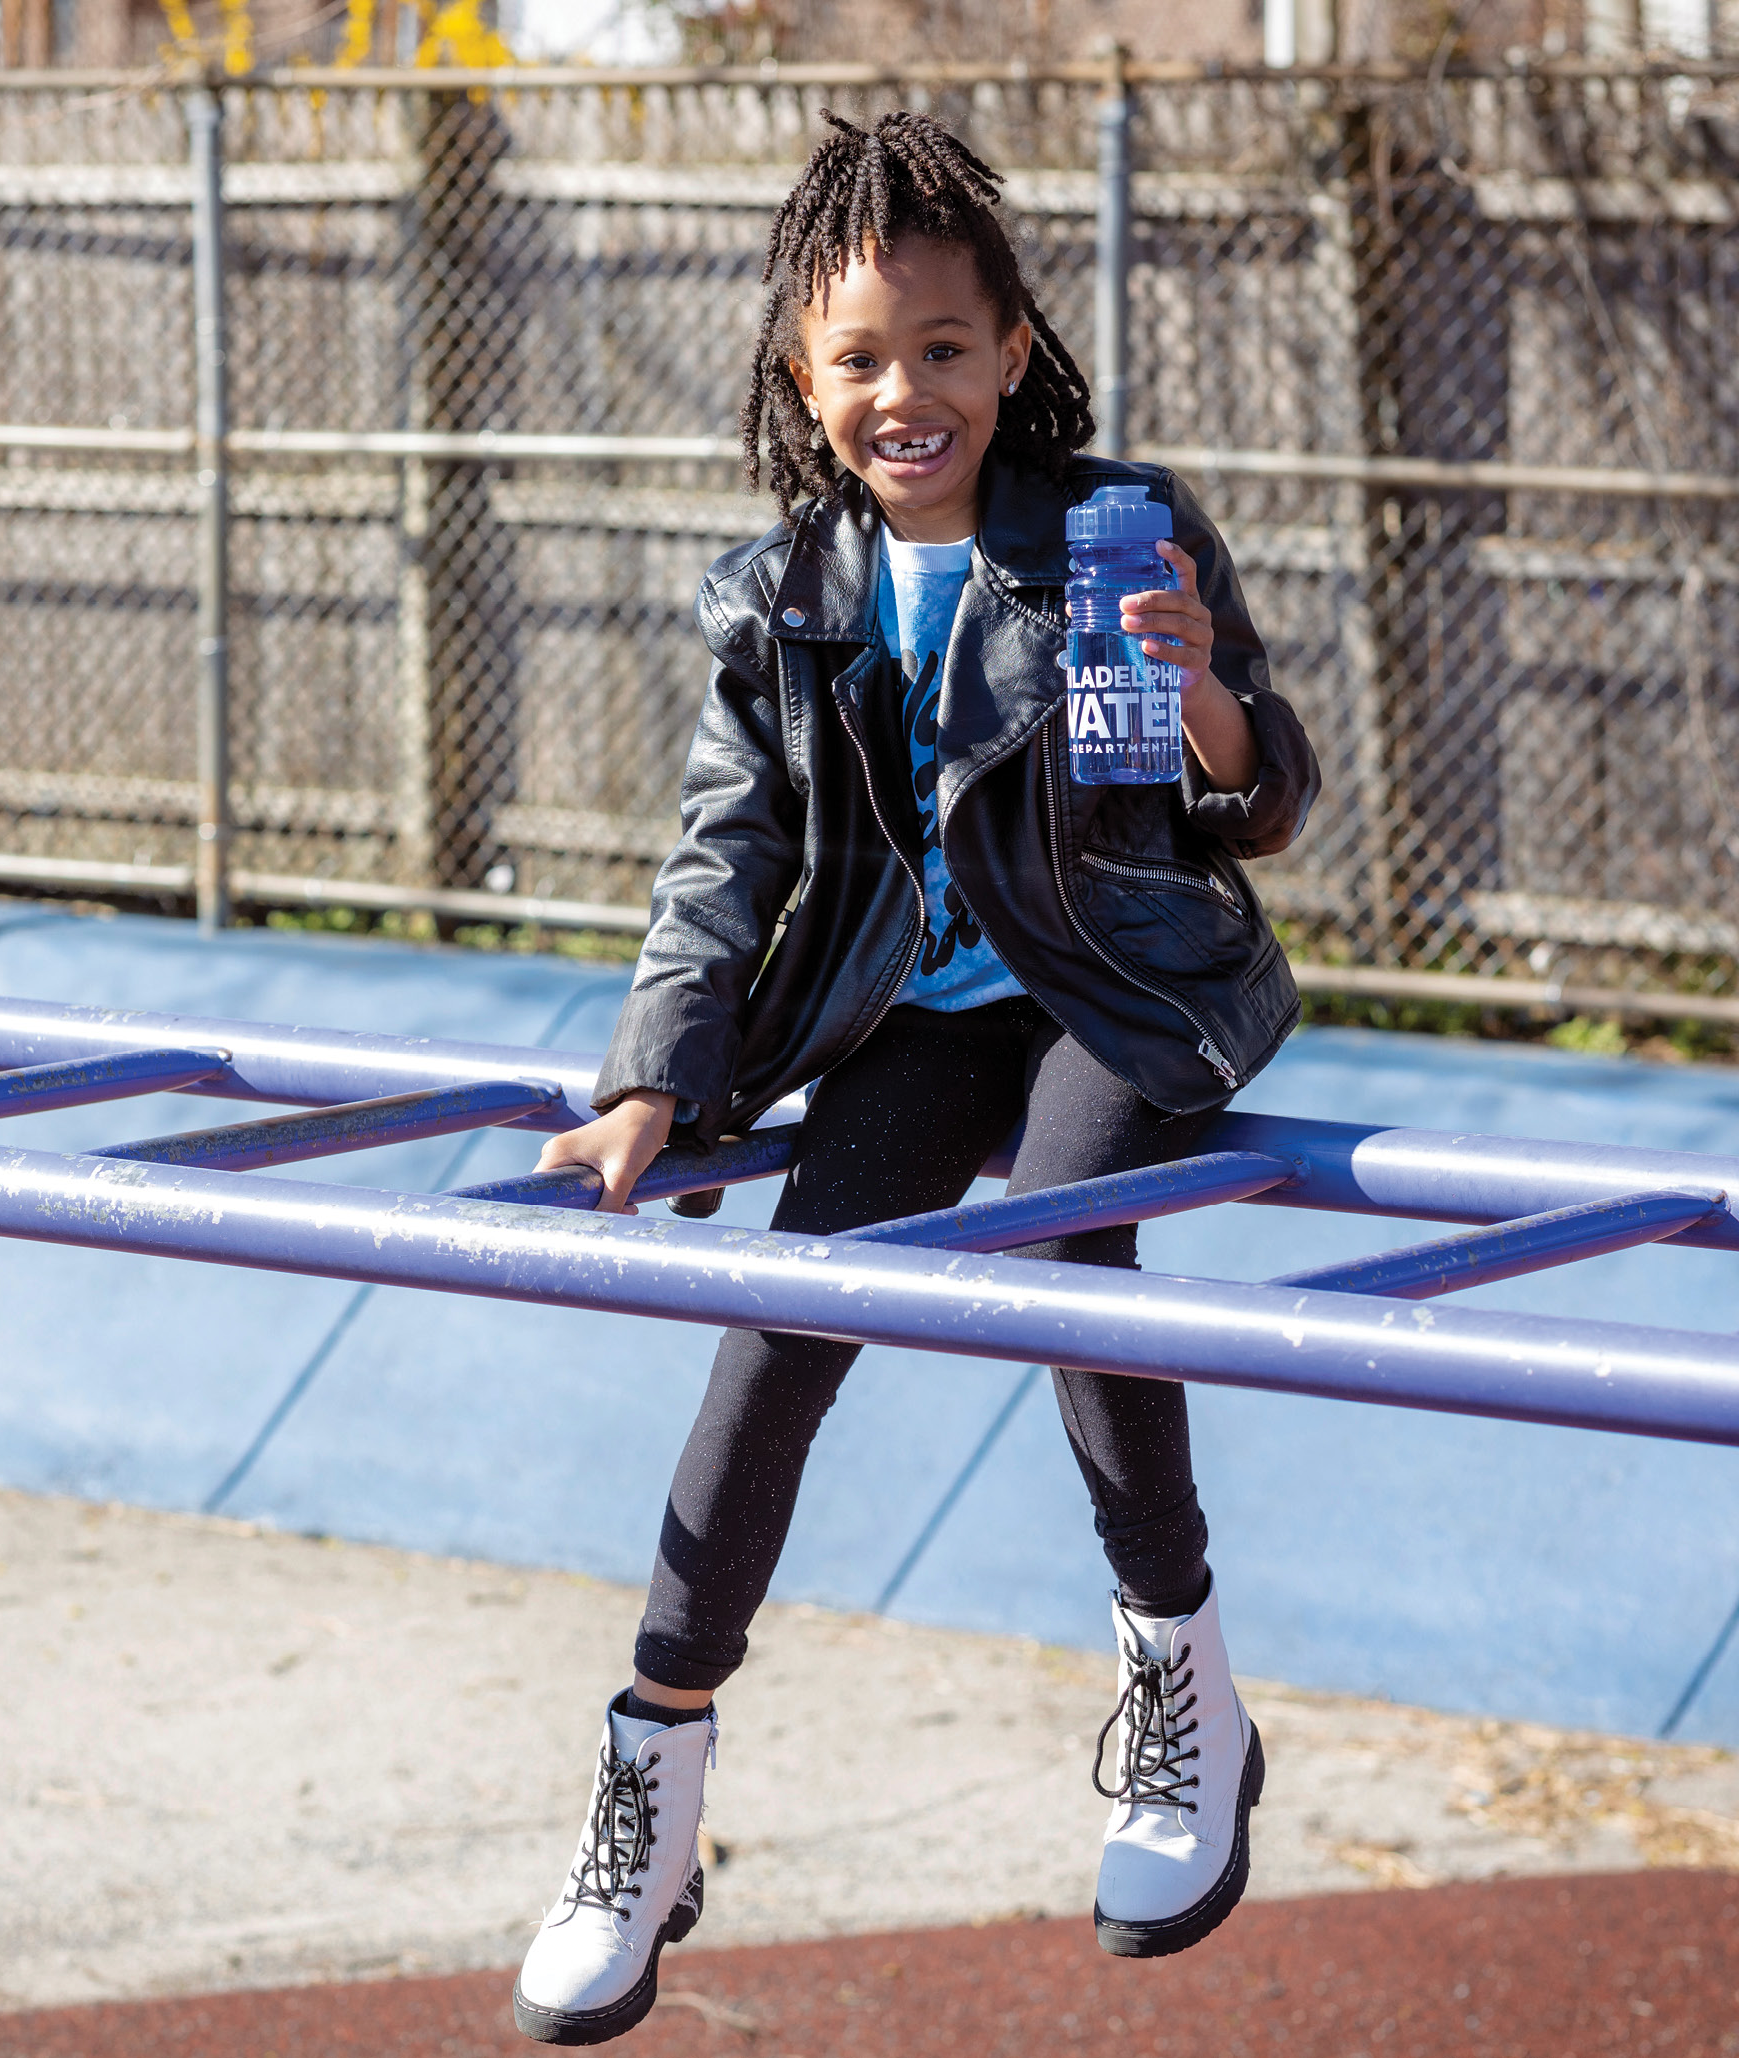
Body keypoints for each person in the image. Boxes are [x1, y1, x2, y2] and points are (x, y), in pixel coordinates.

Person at [510, 109, 1321, 2046]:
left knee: (1055, 1250)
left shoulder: (1112, 524)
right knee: (775, 1326)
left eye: (942, 350)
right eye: (860, 359)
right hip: (912, 1017)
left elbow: (1262, 793)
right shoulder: (776, 592)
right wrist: (651, 1075)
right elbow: (725, 859)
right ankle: (654, 1773)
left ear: (1012, 353)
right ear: (802, 375)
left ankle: (1179, 1692)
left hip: (1117, 994)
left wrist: (1197, 691)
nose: (905, 394)